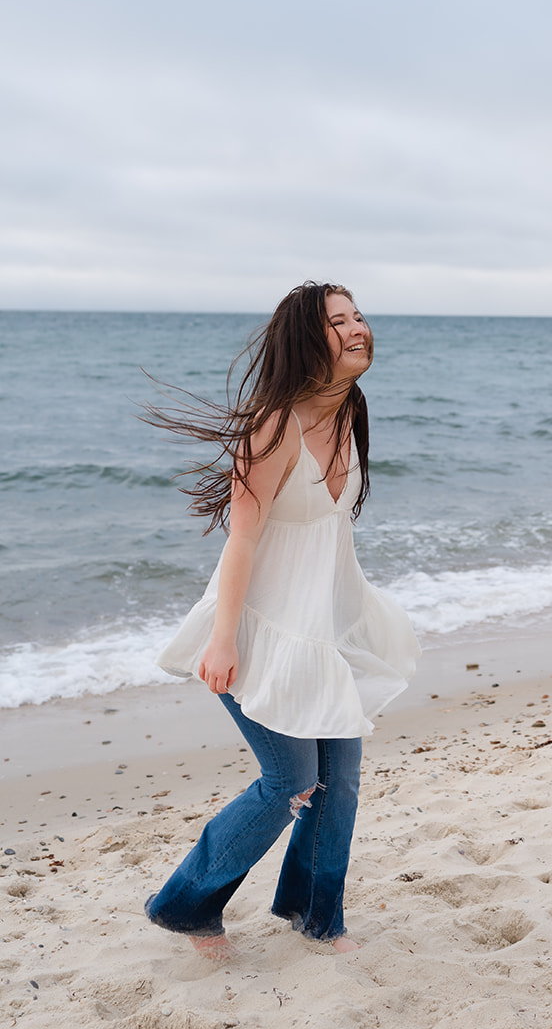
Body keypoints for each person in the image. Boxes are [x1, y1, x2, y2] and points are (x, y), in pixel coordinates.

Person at [144, 282, 418, 959]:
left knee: (340, 782)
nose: (358, 328)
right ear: (306, 339)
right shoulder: (271, 425)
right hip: (260, 630)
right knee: (288, 783)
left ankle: (315, 915)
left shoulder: (350, 409)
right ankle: (186, 905)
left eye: (359, 316)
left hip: (325, 632)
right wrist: (223, 639)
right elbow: (242, 539)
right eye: (338, 322)